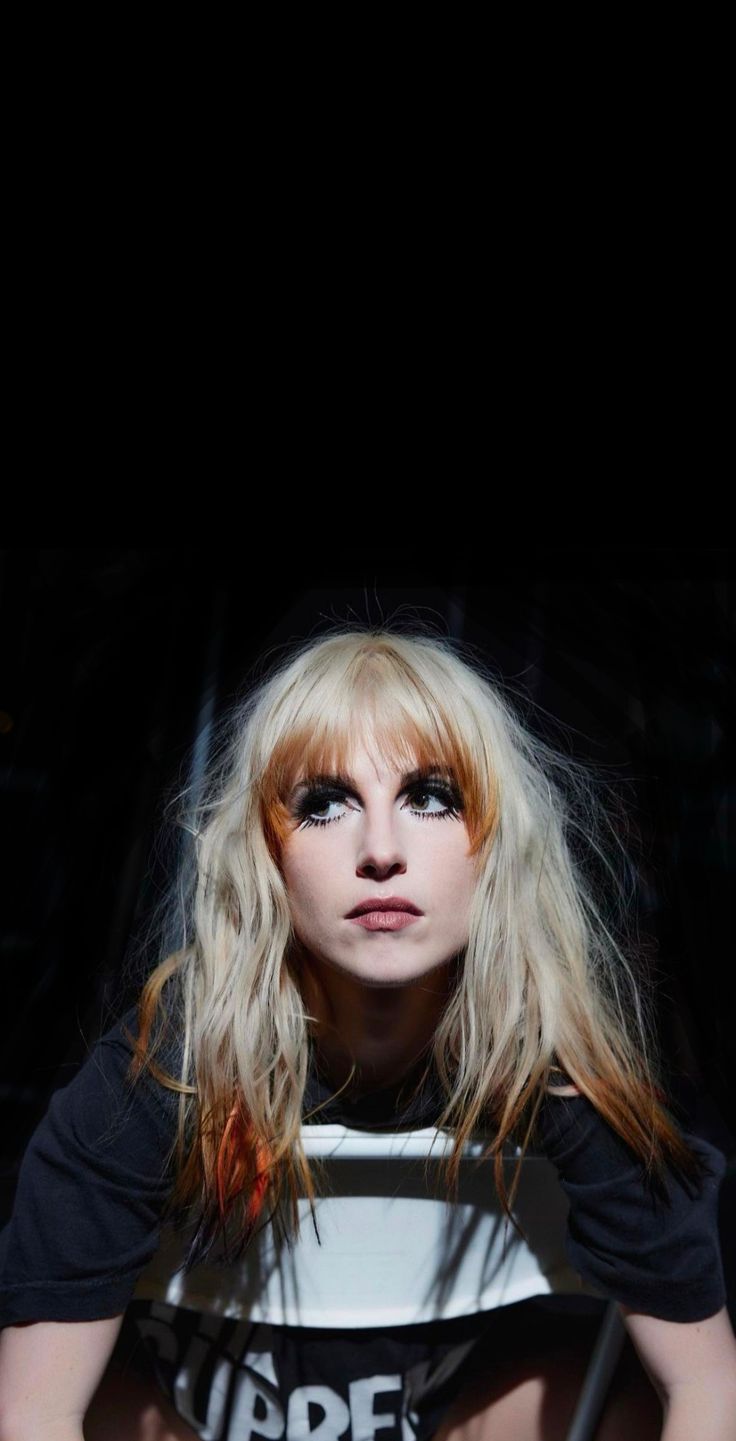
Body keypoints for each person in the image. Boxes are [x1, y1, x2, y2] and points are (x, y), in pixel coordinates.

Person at [0, 623, 734, 1441]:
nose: (380, 850)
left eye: (431, 796)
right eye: (324, 803)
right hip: (183, 1421)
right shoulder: (156, 1076)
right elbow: (35, 1412)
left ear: (497, 846)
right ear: (265, 857)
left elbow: (707, 1383)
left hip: (452, 1418)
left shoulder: (561, 1075)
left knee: (623, 1390)